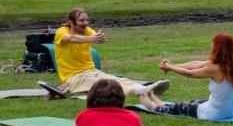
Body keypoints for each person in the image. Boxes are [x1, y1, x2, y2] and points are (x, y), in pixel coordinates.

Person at [39, 8, 168, 99]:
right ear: (72, 22)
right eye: (81, 21)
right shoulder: (62, 31)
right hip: (72, 78)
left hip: (91, 70)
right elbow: (70, 39)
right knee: (103, 86)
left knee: (113, 79)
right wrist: (91, 39)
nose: (85, 23)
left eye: (87, 20)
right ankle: (141, 91)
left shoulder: (87, 30)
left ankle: (144, 88)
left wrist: (99, 36)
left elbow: (94, 35)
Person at [138, 32, 233, 120]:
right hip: (230, 113)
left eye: (213, 46)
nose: (211, 48)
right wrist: (170, 65)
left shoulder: (216, 68)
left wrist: (170, 68)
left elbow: (190, 73)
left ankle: (154, 107)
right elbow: (196, 64)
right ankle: (164, 105)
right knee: (195, 102)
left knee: (182, 107)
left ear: (219, 49)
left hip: (215, 114)